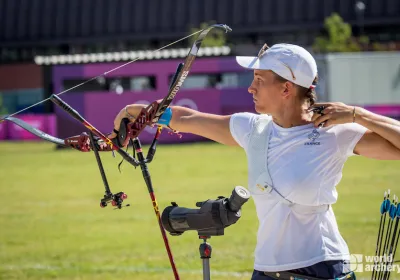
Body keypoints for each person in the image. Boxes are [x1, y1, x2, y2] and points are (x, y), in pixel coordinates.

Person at [108, 43, 400, 280]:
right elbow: (186, 118)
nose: (251, 88)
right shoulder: (253, 128)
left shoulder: (333, 131)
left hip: (322, 268)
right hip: (266, 271)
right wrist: (133, 112)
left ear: (286, 89)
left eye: (260, 81)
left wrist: (357, 114)